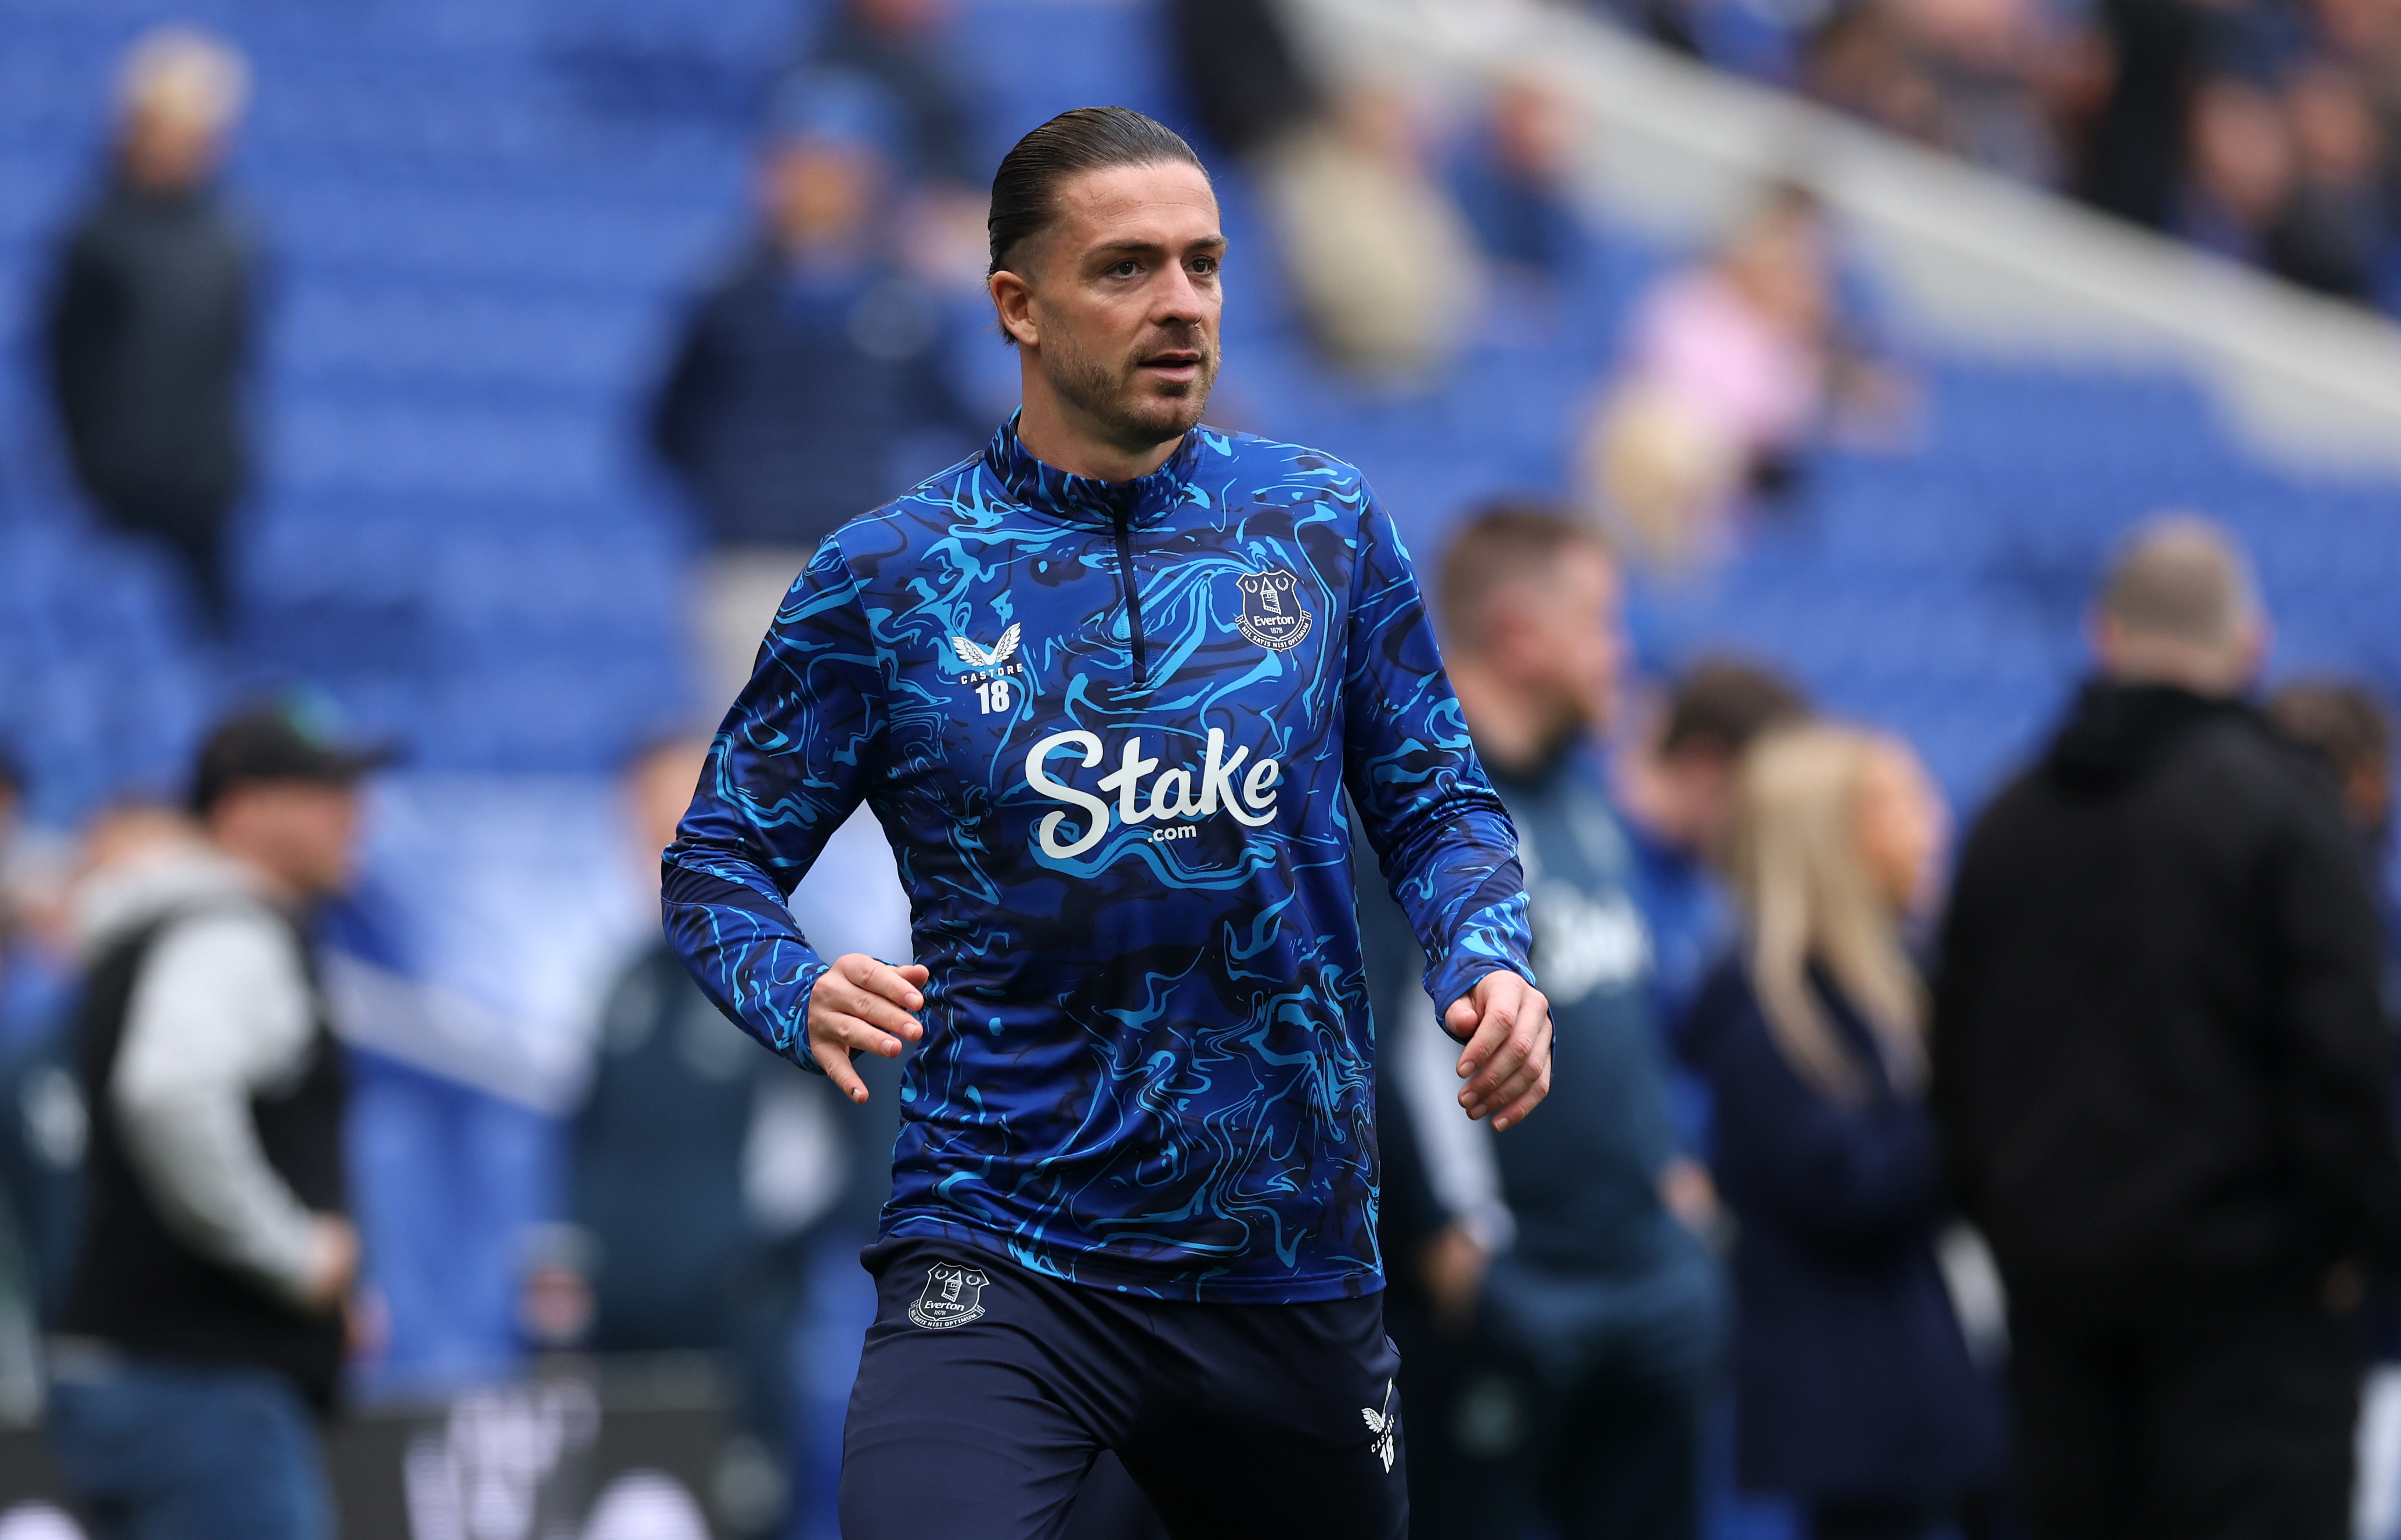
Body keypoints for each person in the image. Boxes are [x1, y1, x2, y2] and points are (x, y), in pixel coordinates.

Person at [663, 106, 1552, 1540]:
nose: (1181, 303)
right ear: (1016, 304)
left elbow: (1439, 802)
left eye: (1203, 264)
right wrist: (792, 984)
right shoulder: (889, 577)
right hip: (999, 1248)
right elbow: (717, 861)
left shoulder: (1320, 526)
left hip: (1283, 1263)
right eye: (1127, 268)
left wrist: (1487, 958)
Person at [1932, 516, 2401, 1540]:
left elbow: (1953, 1063)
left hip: (2060, 1318)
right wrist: (2350, 1241)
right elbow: (2343, 1058)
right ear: (2250, 645)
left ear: (2103, 635)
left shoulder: (2008, 818)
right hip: (2254, 1330)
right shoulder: (2287, 809)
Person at [1361, 506, 1725, 1540]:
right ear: (1520, 635)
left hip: (1646, 1274)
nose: (1622, 653)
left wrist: (1670, 1174)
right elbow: (1366, 1034)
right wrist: (1444, 1236)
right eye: (1601, 622)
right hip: (1507, 1290)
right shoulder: (1409, 808)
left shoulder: (1584, 799)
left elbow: (1625, 1012)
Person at [44, 702, 387, 1540]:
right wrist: (291, 1256)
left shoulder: (157, 927)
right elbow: (168, 1091)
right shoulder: (232, 933)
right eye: (322, 792)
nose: (354, 815)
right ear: (244, 811)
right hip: (202, 1385)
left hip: (140, 1370)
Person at [1681, 723, 2006, 1540]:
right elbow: (1853, 1189)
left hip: (1916, 1389)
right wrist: (1979, 1100)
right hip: (1842, 1413)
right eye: (1897, 806)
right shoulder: (1765, 1017)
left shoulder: (1895, 986)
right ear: (1829, 838)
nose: (1930, 828)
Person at [648, 70, 983, 706]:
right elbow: (669, 426)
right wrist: (737, 500)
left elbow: (958, 419)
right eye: (799, 165)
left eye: (835, 167)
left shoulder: (905, 301)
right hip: (749, 561)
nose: (814, 185)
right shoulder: (729, 297)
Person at [43, 27, 257, 633]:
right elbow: (66, 363)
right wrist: (95, 468)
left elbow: (234, 358)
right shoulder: (98, 237)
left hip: (206, 493)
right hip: (116, 494)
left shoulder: (231, 240)